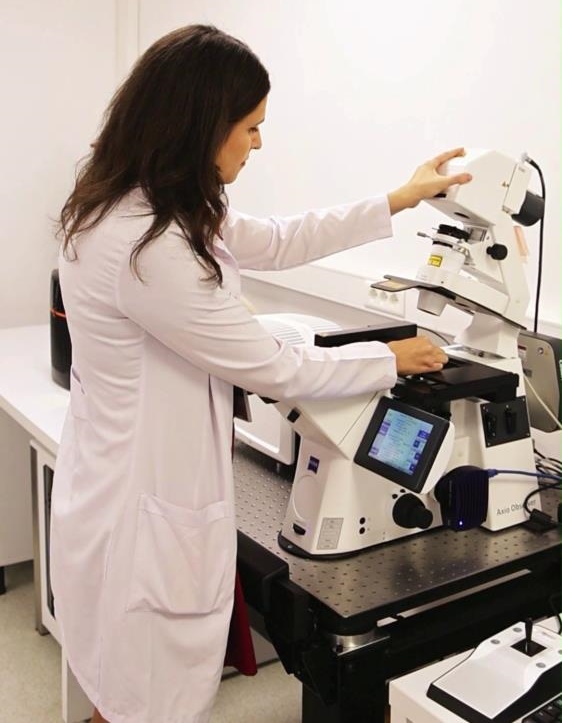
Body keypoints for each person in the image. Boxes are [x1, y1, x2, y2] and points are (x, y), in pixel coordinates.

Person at [51, 24, 471, 723]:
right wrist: (388, 357)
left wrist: (399, 199)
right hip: (140, 519)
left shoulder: (141, 204)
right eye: (250, 127)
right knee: (140, 705)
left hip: (115, 490)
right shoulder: (146, 246)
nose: (258, 143)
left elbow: (278, 239)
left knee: (121, 700)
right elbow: (274, 366)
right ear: (200, 125)